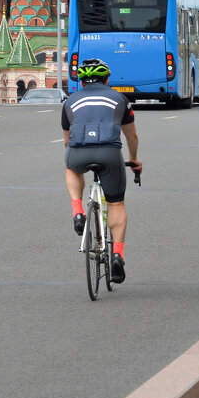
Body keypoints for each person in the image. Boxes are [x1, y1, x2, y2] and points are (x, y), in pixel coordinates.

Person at [61, 58, 141, 284]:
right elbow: (132, 136)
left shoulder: (70, 101)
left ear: (81, 82)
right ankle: (117, 255)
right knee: (116, 204)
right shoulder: (120, 99)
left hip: (78, 152)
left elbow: (67, 140)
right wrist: (133, 159)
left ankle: (78, 211)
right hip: (109, 153)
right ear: (107, 80)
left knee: (71, 168)